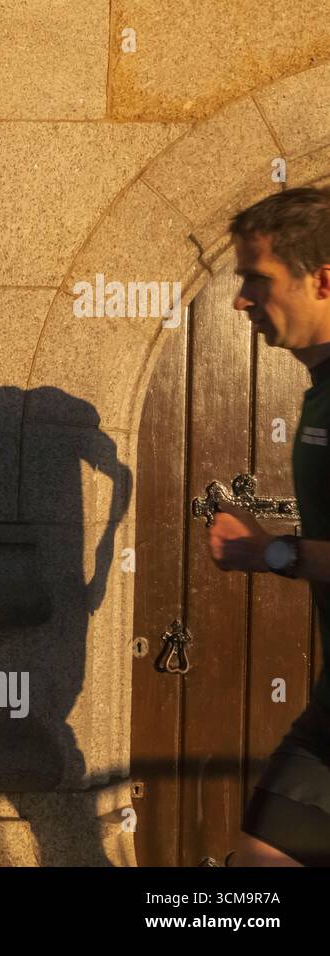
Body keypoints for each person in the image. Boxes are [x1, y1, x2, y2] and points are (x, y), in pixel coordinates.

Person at [209, 185, 330, 866]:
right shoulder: (320, 390)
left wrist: (269, 552)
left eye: (258, 279)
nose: (241, 300)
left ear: (323, 279)